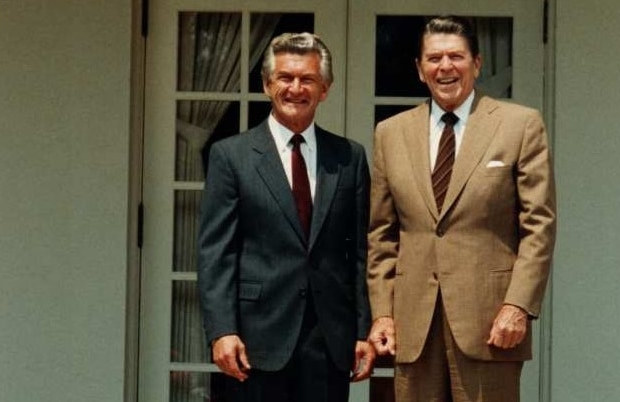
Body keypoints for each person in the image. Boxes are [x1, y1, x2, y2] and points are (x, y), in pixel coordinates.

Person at [367, 16, 557, 402]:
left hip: (491, 322)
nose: (446, 67)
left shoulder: (519, 125)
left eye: (456, 56)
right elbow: (382, 234)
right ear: (420, 70)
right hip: (413, 324)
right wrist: (383, 313)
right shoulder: (391, 133)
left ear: (477, 63)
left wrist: (518, 304)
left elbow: (539, 225)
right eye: (434, 58)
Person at [197, 32, 375, 402]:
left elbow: (361, 253)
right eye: (285, 78)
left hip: (328, 341)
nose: (296, 88)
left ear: (324, 89)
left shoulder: (348, 157)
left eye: (307, 79)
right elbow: (217, 253)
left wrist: (363, 331)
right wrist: (221, 331)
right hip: (254, 341)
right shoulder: (231, 156)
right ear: (266, 85)